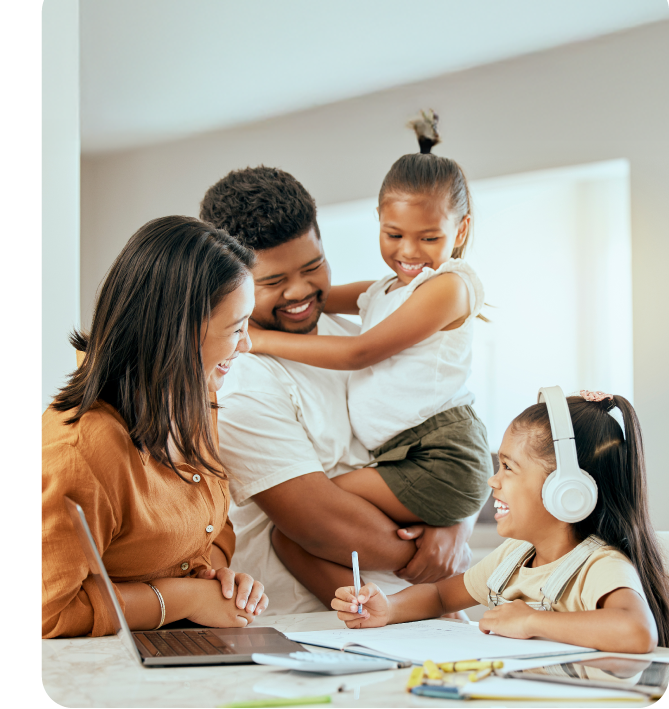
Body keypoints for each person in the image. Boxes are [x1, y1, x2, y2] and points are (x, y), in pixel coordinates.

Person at [200, 166, 476, 614]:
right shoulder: (238, 379)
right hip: (313, 628)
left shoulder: (348, 331)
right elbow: (317, 522)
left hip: (419, 616)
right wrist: (431, 557)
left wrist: (455, 524)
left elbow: (443, 425)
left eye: (313, 267)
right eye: (272, 282)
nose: (300, 291)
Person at [248, 111, 492, 594]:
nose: (409, 252)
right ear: (378, 222)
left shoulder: (450, 287)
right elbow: (314, 297)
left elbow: (360, 352)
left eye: (430, 238)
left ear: (461, 231)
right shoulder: (385, 290)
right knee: (295, 536)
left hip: (438, 453)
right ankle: (372, 610)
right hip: (404, 455)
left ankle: (399, 603)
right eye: (394, 235)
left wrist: (252, 339)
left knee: (313, 520)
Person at [41, 216, 268, 638]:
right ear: (179, 331)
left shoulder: (195, 397)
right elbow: (48, 612)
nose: (247, 344)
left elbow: (213, 529)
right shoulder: (80, 451)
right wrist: (181, 599)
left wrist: (216, 579)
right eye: (236, 328)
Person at [332, 391, 669, 653]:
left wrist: (533, 620)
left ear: (566, 491)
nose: (493, 481)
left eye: (508, 467)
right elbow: (439, 595)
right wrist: (388, 608)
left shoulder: (599, 565)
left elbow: (637, 631)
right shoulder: (515, 556)